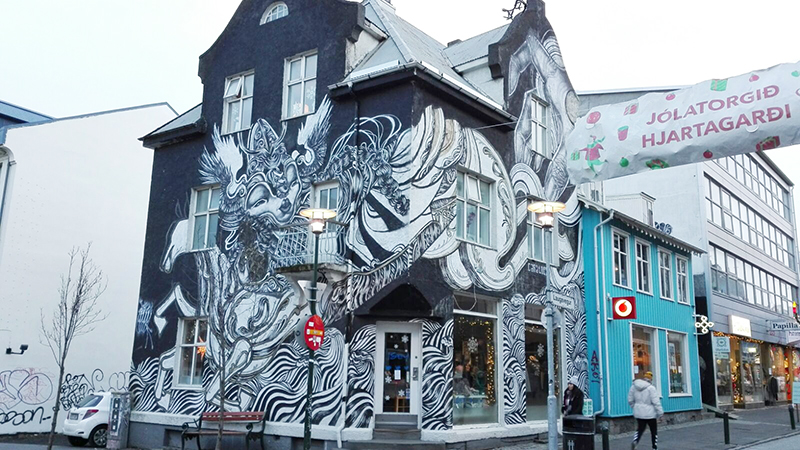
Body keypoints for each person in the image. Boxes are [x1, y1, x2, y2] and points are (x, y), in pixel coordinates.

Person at [628, 372, 663, 450]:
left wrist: (635, 407)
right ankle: (654, 447)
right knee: (653, 431)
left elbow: (630, 400)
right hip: (651, 414)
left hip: (639, 413)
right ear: (651, 379)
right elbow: (656, 402)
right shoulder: (651, 388)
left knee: (640, 429)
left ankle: (635, 441)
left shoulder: (634, 387)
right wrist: (660, 413)